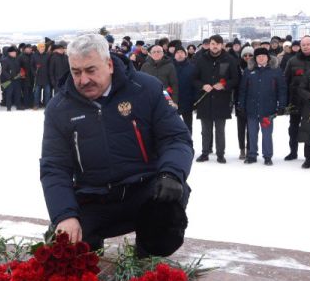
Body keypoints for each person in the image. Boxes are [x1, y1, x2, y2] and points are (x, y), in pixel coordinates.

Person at [40, 33, 193, 256]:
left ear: (109, 65)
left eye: (91, 70)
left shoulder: (146, 88)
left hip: (145, 190)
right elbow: (55, 167)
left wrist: (171, 173)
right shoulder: (59, 107)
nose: (83, 80)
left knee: (165, 214)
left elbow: (176, 138)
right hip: (94, 196)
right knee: (62, 253)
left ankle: (148, 254)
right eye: (76, 72)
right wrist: (65, 215)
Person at [192, 34, 240, 163]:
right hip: (205, 99)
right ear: (209, 44)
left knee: (220, 130)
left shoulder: (229, 59)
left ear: (222, 45)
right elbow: (194, 78)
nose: (215, 46)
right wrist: (202, 85)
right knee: (205, 130)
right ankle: (205, 152)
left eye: (217, 44)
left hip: (221, 99)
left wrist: (224, 85)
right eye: (212, 44)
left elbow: (235, 79)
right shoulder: (200, 59)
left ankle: (220, 154)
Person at [237, 47, 285, 165]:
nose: (261, 58)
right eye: (258, 56)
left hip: (268, 110)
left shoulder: (275, 71)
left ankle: (267, 156)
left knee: (267, 134)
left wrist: (282, 105)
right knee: (252, 133)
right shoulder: (249, 71)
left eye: (263, 56)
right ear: (255, 58)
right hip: (251, 108)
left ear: (268, 57)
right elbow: (243, 90)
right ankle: (252, 155)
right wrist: (241, 106)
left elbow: (282, 89)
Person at [173, 47, 195, 132]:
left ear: (185, 55)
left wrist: (194, 100)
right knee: (173, 127)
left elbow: (195, 84)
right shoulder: (170, 67)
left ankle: (188, 143)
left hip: (188, 101)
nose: (180, 54)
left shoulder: (192, 67)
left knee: (188, 127)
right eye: (177, 52)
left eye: (182, 52)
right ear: (174, 55)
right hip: (173, 102)